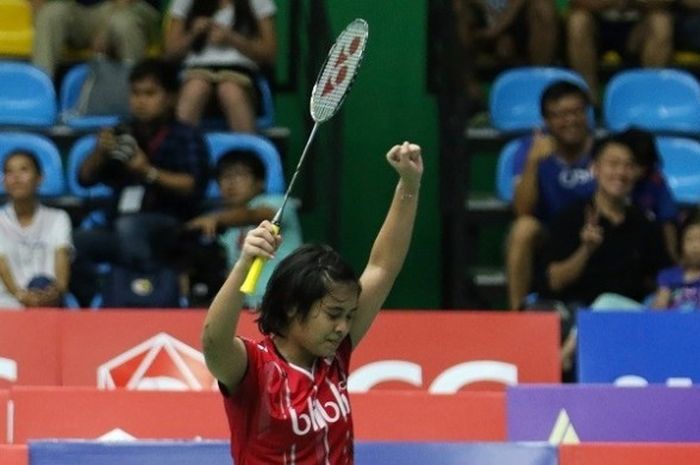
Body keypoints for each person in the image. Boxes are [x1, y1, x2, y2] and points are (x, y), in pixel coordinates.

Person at [202, 142, 422, 464]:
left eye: (348, 315)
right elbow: (213, 341)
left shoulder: (333, 357)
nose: (343, 327)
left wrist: (409, 184)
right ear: (292, 306)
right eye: (333, 314)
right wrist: (244, 264)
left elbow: (382, 267)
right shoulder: (254, 368)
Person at [70, 58, 210, 306]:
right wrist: (99, 153)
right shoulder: (124, 131)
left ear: (170, 97)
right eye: (135, 93)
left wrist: (147, 172)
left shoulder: (186, 136)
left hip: (172, 230)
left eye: (149, 93)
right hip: (119, 229)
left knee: (131, 228)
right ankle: (91, 301)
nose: (140, 101)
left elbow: (193, 185)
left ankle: (145, 301)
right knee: (73, 241)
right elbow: (84, 179)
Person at [538, 135, 671, 378]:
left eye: (629, 165)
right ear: (595, 169)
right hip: (575, 310)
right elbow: (555, 281)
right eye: (613, 164)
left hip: (629, 319)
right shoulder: (569, 218)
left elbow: (664, 273)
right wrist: (585, 250)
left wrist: (663, 293)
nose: (621, 172)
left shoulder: (645, 224)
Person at [506, 80, 595, 310]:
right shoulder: (530, 150)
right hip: (550, 235)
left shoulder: (603, 149)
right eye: (560, 115)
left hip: (596, 232)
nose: (570, 121)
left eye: (576, 112)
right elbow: (522, 210)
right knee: (523, 228)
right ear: (546, 121)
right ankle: (518, 315)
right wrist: (533, 163)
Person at [186, 148, 302, 307]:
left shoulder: (280, 203)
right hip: (244, 308)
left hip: (283, 303)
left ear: (260, 182)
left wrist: (214, 218)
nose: (231, 183)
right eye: (224, 177)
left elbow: (254, 215)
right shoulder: (226, 231)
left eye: (239, 175)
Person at [164, 0, 277, 133]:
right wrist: (193, 34)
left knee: (229, 89)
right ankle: (180, 149)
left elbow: (269, 54)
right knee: (196, 88)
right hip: (196, 71)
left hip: (240, 71)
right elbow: (170, 53)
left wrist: (232, 39)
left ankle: (246, 150)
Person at [452, 0, 559, 111]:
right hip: (480, 15)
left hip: (517, 16)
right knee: (458, 7)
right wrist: (489, 15)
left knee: (542, 7)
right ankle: (470, 91)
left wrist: (499, 26)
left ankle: (538, 87)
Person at [0, 150, 72, 309]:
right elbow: (2, 265)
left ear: (40, 178)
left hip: (50, 302)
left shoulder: (58, 218)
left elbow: (62, 262)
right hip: (9, 304)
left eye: (24, 170)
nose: (16, 177)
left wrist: (57, 291)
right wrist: (21, 296)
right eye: (9, 172)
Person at [567, 0, 674, 102]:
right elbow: (577, 2)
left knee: (661, 22)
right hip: (597, 26)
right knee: (577, 21)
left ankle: (650, 98)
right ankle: (588, 99)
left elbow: (665, 3)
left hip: (638, 28)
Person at [30, 0, 161, 79]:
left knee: (122, 23)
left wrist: (105, 28)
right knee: (49, 14)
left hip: (133, 7)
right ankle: (40, 92)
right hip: (87, 10)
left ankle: (134, 96)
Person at [653, 211, 700, 310]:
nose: (696, 246)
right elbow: (659, 308)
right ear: (681, 244)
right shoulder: (668, 276)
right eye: (690, 239)